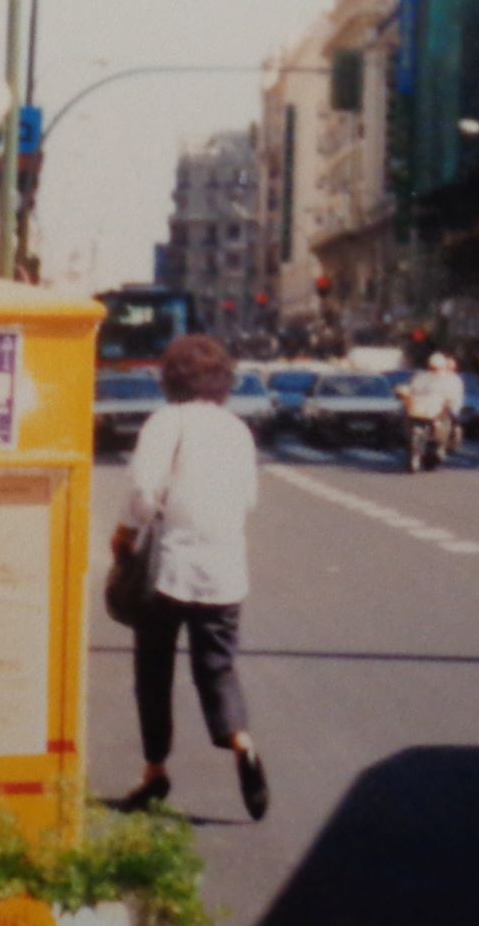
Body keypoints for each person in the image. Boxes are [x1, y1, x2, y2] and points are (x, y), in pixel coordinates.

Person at [111, 333, 269, 822]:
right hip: (224, 569)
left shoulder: (168, 422)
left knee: (153, 672)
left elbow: (143, 489)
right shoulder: (237, 429)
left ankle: (155, 771)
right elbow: (248, 498)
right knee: (217, 666)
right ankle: (241, 740)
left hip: (168, 569)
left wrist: (126, 534)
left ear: (171, 379)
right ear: (222, 381)